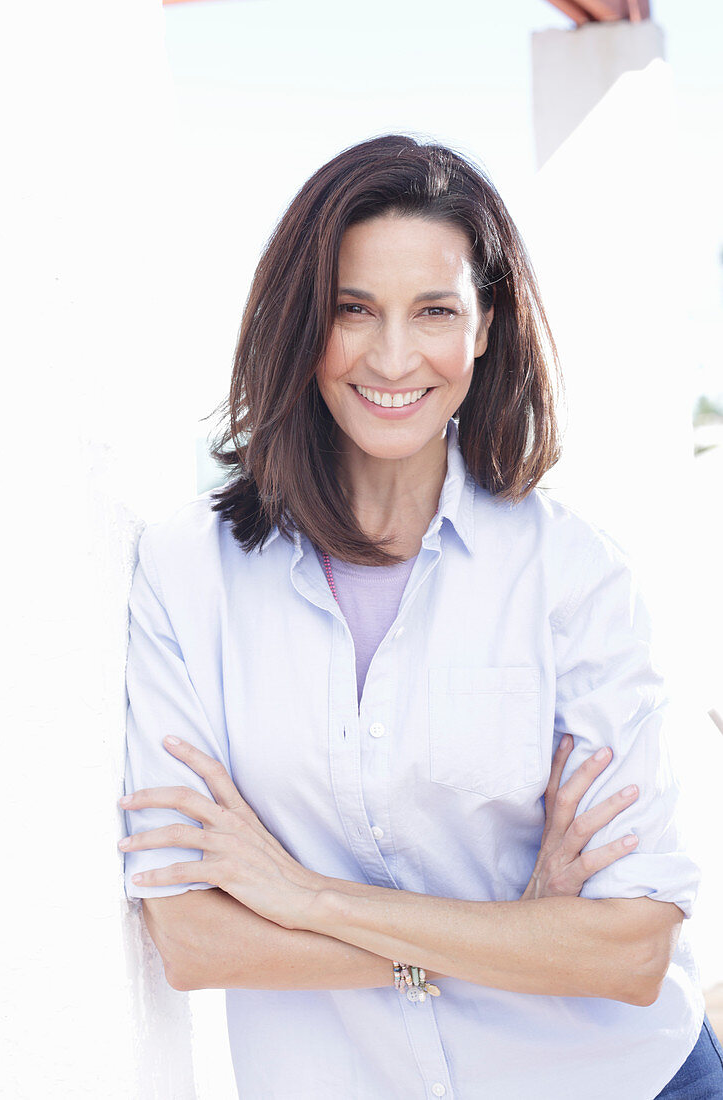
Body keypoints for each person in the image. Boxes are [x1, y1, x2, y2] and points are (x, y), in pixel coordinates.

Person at [118, 134, 720, 1098]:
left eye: (434, 310)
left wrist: (303, 897)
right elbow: (192, 937)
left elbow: (628, 951)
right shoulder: (190, 576)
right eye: (353, 310)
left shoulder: (572, 577)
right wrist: (512, 937)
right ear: (302, 323)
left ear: (486, 328)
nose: (392, 356)